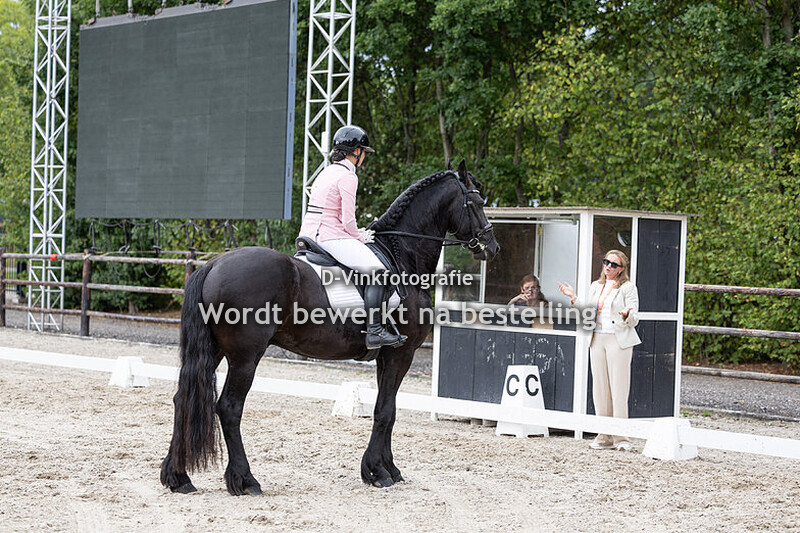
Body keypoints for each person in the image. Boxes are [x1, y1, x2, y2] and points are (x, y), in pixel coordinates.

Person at [298, 125, 406, 350]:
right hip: (330, 236)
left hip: (309, 234)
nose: (364, 156)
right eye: (363, 151)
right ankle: (375, 331)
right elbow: (347, 221)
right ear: (356, 151)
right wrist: (359, 235)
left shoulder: (326, 171)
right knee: (379, 272)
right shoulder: (348, 176)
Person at [558, 250, 641, 452]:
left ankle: (621, 437)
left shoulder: (628, 288)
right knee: (600, 390)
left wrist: (626, 315)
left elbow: (634, 318)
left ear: (621, 269)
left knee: (619, 389)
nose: (609, 266)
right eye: (606, 262)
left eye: (614, 264)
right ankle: (604, 435)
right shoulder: (596, 286)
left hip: (617, 339)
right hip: (596, 339)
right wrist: (573, 297)